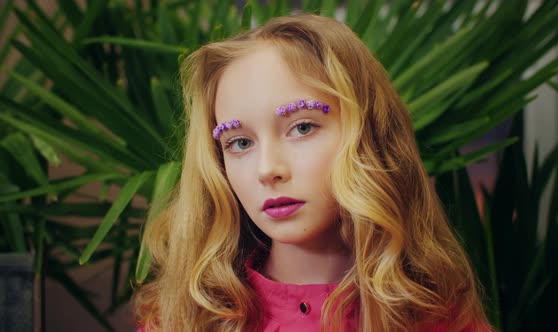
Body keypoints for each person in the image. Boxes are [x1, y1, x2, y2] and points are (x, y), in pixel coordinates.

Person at [134, 14, 491, 332]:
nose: (268, 170)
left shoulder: (440, 319)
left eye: (302, 127)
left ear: (367, 135)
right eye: (240, 143)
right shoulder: (182, 321)